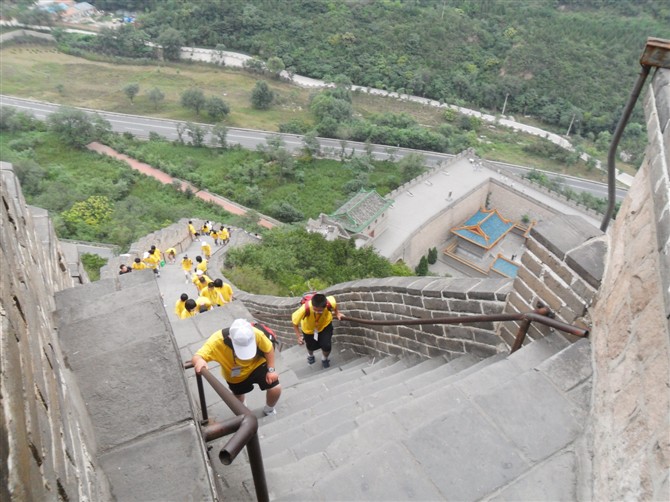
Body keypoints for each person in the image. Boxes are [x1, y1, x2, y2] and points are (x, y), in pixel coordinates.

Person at [192, 318, 281, 416]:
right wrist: (200, 361)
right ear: (231, 338)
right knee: (238, 396)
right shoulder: (216, 342)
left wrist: (271, 370)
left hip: (257, 364)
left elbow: (268, 349)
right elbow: (198, 356)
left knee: (275, 388)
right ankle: (244, 411)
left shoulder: (255, 333)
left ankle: (269, 409)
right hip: (235, 375)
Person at [292, 293, 343, 368]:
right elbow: (294, 323)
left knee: (327, 345)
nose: (316, 312)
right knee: (310, 346)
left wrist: (337, 313)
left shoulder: (330, 302)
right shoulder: (304, 309)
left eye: (319, 310)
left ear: (325, 306)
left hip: (325, 325)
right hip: (309, 329)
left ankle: (324, 359)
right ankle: (310, 355)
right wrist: (299, 337)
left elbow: (334, 305)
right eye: (314, 309)